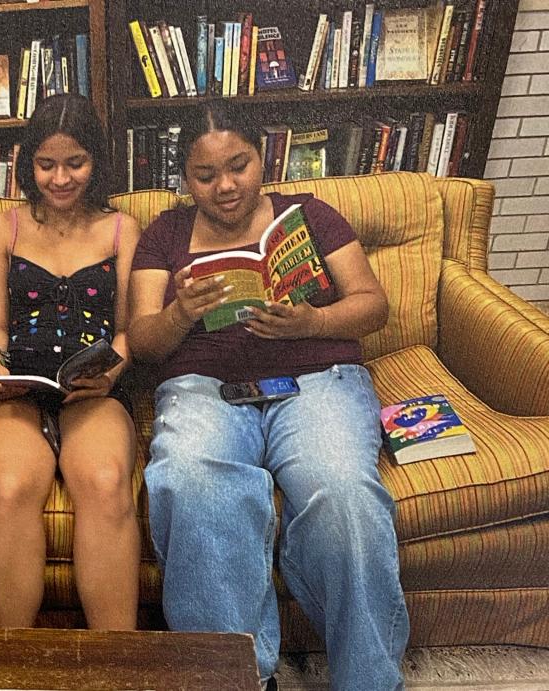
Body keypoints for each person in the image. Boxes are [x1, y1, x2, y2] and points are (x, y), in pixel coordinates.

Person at [127, 101, 409, 690]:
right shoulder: (166, 235)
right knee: (195, 482)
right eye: (206, 176)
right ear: (183, 179)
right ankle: (234, 680)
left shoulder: (310, 215)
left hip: (314, 381)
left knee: (344, 493)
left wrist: (310, 322)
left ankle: (368, 680)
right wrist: (181, 312)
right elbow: (143, 340)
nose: (226, 187)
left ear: (263, 158)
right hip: (206, 387)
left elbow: (372, 304)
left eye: (239, 166)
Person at [0, 93, 141, 629]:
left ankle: (115, 666)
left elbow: (128, 328)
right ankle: (8, 668)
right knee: (9, 484)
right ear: (28, 164)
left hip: (93, 388)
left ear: (97, 161)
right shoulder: (4, 228)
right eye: (47, 165)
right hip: (19, 390)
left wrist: (113, 368)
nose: (61, 178)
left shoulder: (122, 228)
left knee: (108, 479)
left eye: (76, 163)